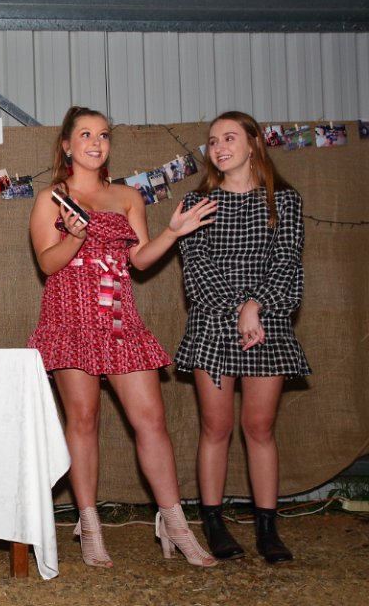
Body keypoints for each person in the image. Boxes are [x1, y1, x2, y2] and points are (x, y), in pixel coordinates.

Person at [27, 106, 219, 568]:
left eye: (103, 135)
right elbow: (48, 264)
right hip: (71, 319)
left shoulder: (128, 196)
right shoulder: (52, 198)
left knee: (151, 420)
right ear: (67, 145)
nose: (96, 143)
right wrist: (75, 237)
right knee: (83, 420)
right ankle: (89, 524)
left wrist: (172, 232)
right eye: (85, 135)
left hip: (119, 321)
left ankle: (175, 523)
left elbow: (140, 259)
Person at [176, 111, 310, 564]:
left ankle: (267, 529)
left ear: (253, 144)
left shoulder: (283, 200)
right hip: (213, 323)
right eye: (213, 141)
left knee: (260, 427)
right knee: (216, 428)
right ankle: (214, 524)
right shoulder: (198, 203)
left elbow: (288, 261)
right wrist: (239, 309)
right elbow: (196, 268)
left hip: (267, 324)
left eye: (229, 138)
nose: (219, 147)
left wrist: (257, 306)